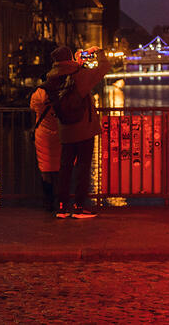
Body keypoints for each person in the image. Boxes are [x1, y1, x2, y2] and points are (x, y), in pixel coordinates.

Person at [30, 45, 111, 218]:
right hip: (83, 129)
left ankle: (61, 207)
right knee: (83, 168)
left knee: (65, 169)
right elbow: (104, 67)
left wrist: (77, 62)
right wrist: (98, 51)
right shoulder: (81, 76)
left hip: (64, 130)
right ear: (70, 59)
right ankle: (80, 207)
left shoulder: (52, 79)